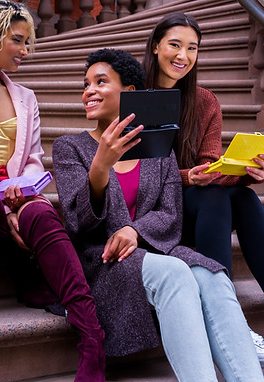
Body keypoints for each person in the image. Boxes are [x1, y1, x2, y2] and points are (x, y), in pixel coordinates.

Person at [52, 47, 264, 381]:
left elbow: (170, 215)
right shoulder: (70, 148)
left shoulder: (158, 149)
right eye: (86, 84)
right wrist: (100, 166)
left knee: (214, 276)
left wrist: (135, 232)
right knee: (175, 274)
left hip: (155, 248)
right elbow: (79, 224)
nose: (88, 91)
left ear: (129, 93)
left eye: (101, 81)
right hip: (102, 261)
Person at [0, 2, 105, 381]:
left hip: (15, 197)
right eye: (19, 41)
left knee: (42, 213)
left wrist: (20, 193)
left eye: (28, 43)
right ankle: (24, 267)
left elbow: (34, 160)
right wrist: (0, 201)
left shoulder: (27, 97)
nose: (27, 51)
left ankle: (93, 341)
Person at [142, 11, 264, 364]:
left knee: (240, 194)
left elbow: (210, 165)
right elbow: (134, 169)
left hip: (195, 204)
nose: (183, 56)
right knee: (212, 194)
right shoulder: (133, 95)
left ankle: (229, 322)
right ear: (155, 46)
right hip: (148, 208)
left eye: (192, 48)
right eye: (175, 45)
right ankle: (230, 327)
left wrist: (244, 172)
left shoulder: (205, 101)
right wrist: (187, 178)